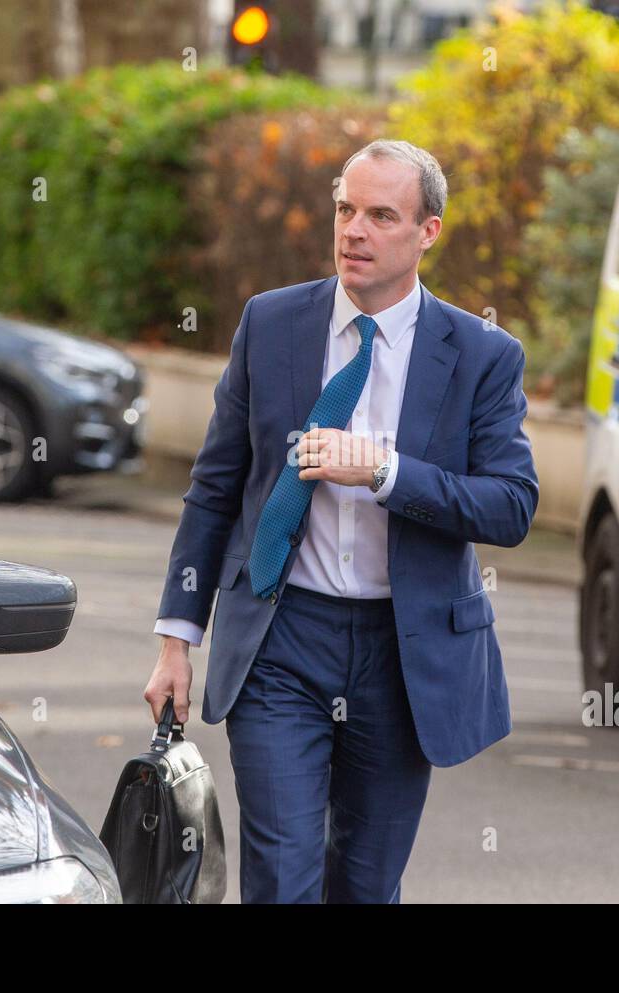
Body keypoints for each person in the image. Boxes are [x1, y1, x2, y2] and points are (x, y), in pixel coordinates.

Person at [144, 139, 539, 903]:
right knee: (281, 876)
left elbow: (512, 504)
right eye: (345, 209)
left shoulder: (483, 355)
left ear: (428, 231)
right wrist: (176, 639)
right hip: (281, 640)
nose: (353, 230)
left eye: (381, 215)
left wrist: (385, 473)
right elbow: (215, 487)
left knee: (364, 883)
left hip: (403, 653)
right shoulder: (271, 323)